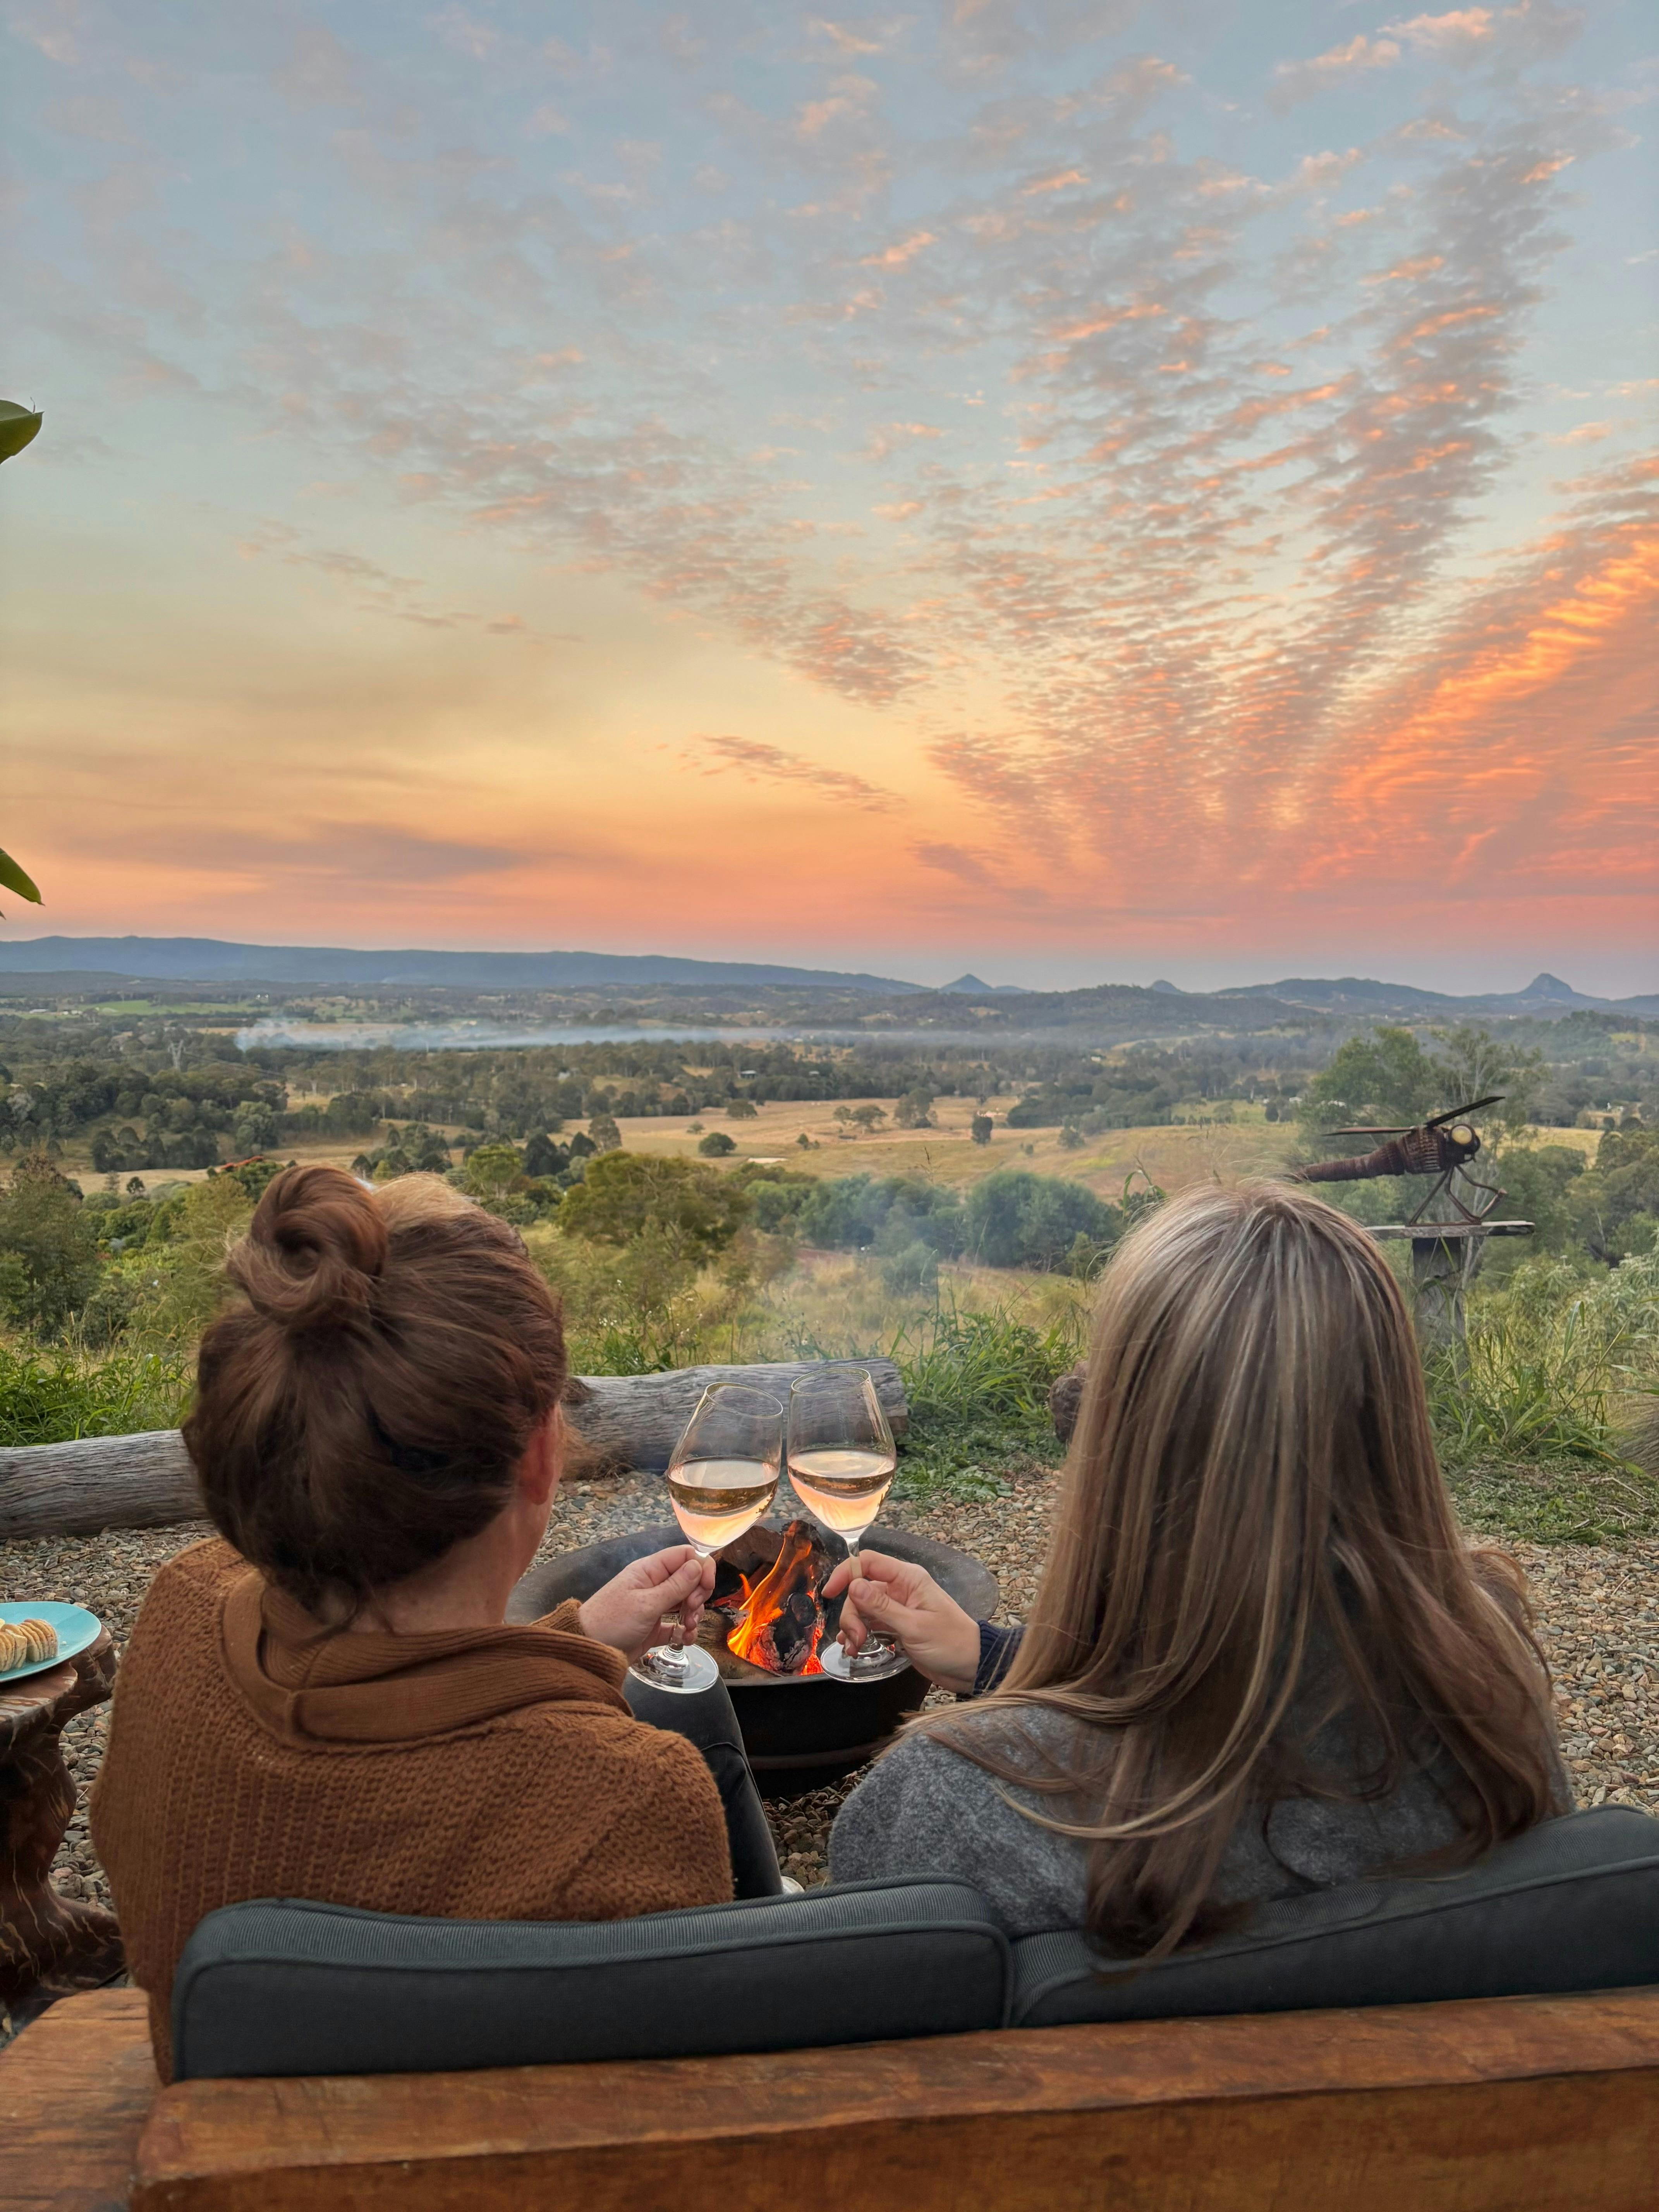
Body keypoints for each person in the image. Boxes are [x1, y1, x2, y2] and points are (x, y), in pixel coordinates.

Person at [91, 1165, 779, 2081]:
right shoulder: (622, 1794)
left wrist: (577, 1643)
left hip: (222, 2137)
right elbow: (661, 2096)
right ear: (540, 1453)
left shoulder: (184, 1605)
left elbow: (387, 1704)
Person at [826, 1181, 1571, 1952]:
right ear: (1390, 1430)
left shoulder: (952, 1804)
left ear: (1121, 1453)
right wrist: (997, 1660)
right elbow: (1253, 1684)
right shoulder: (1491, 1713)